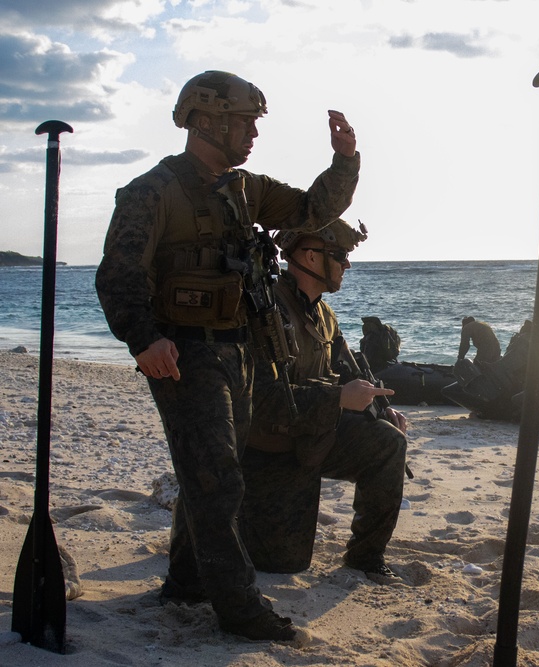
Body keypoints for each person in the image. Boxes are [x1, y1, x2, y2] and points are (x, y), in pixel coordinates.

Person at [94, 70, 360, 642]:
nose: (253, 134)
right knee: (217, 479)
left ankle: (188, 581)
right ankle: (238, 609)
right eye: (245, 122)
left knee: (213, 472)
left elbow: (310, 212)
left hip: (241, 351)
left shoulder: (245, 189)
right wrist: (144, 339)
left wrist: (344, 161)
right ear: (207, 119)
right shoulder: (152, 191)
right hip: (184, 355)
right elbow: (118, 274)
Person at [239, 220, 408, 582]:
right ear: (311, 258)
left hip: (315, 436)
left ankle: (366, 557)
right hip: (272, 449)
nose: (346, 265)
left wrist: (381, 406)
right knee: (283, 563)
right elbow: (262, 400)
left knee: (388, 442)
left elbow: (349, 368)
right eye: (340, 256)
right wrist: (338, 399)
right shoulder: (265, 312)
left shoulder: (323, 314)